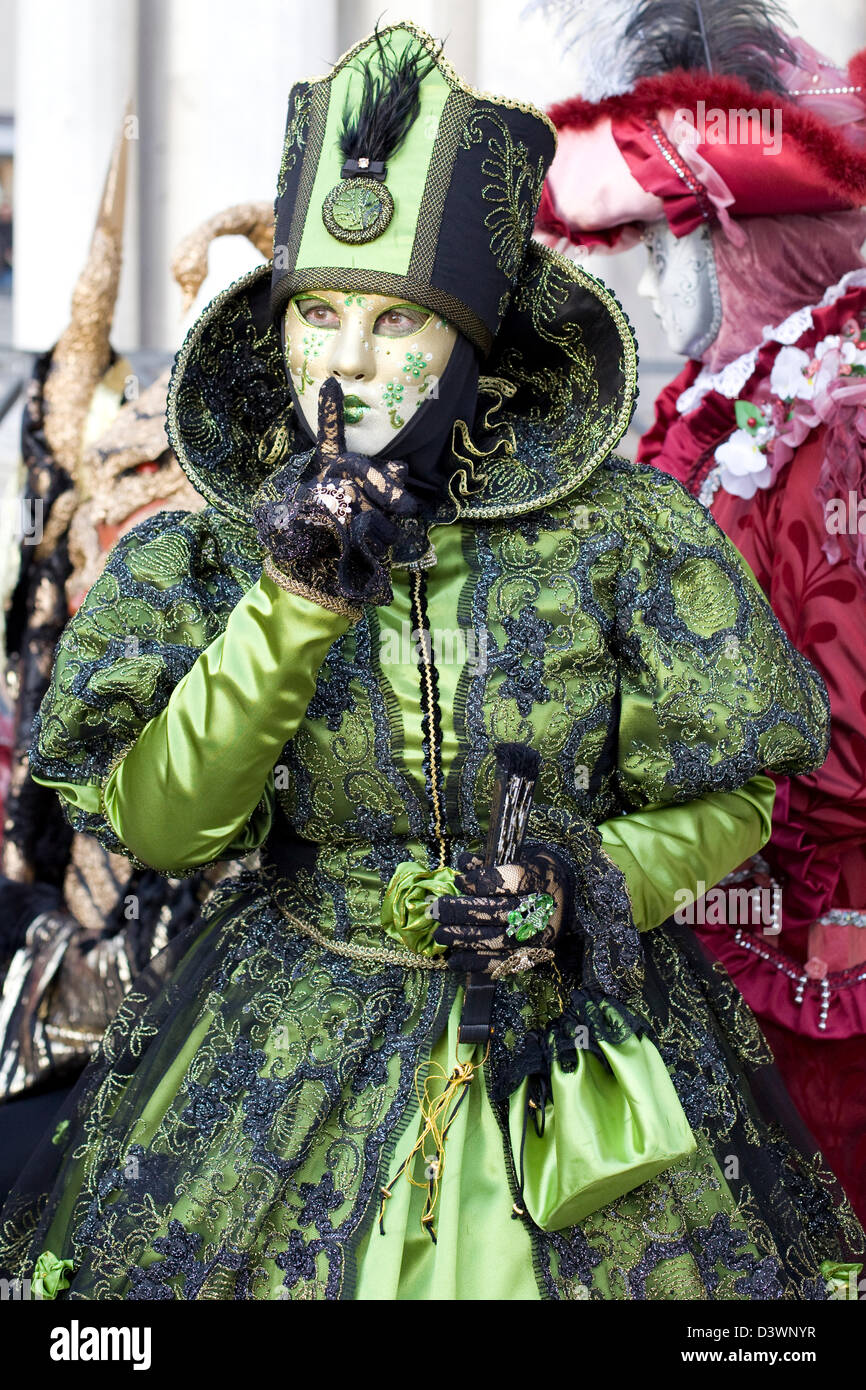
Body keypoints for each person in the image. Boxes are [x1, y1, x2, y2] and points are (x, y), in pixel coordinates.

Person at [0, 20, 860, 1302]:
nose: (342, 364)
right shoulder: (212, 552)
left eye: (394, 318)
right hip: (278, 1050)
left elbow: (732, 792)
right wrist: (288, 605)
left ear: (477, 339)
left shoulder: (623, 540)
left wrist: (585, 885)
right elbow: (168, 831)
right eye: (318, 314)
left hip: (571, 1065)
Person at [535, 0, 866, 1223]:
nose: (641, 278)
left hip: (810, 961)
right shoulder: (741, 406)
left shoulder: (830, 424)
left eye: (661, 243)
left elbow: (832, 744)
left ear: (727, 245)